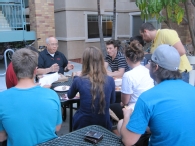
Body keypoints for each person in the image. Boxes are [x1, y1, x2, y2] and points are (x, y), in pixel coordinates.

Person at [118, 44, 195, 145]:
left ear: (156, 67)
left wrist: (127, 115)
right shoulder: (192, 90)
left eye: (150, 62)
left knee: (121, 125)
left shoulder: (147, 98)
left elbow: (128, 141)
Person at [0, 48, 62, 146]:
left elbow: (1, 137)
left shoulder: (2, 99)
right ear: (35, 71)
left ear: (14, 70)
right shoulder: (52, 94)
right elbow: (57, 128)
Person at [67, 46, 116, 131]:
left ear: (84, 62)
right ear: (101, 61)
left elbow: (70, 95)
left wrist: (75, 77)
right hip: (104, 123)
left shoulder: (79, 80)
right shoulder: (110, 80)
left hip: (83, 124)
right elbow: (112, 101)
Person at [110, 40, 154, 120]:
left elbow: (125, 102)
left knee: (108, 107)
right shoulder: (148, 71)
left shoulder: (128, 75)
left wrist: (121, 103)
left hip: (135, 110)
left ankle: (117, 129)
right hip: (149, 107)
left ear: (127, 59)